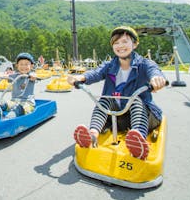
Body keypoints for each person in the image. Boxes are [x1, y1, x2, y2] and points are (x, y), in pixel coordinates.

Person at [67, 26, 166, 160]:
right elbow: (96, 73)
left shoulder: (144, 64)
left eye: (125, 42)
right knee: (104, 100)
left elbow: (154, 71)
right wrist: (81, 78)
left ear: (135, 44)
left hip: (144, 115)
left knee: (136, 99)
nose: (120, 46)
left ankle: (138, 142)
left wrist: (156, 79)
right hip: (119, 116)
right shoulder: (110, 65)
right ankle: (92, 134)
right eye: (116, 43)